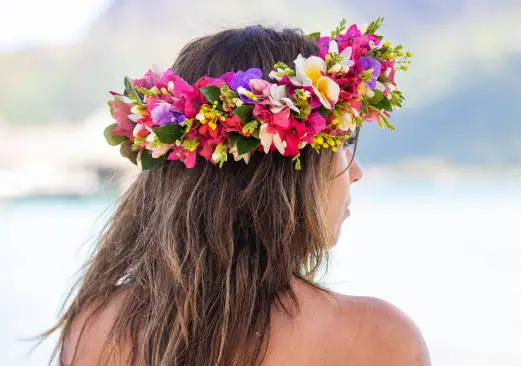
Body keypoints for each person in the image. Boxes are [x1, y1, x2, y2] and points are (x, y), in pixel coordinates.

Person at [42, 19, 430, 365]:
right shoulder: (379, 339)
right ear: (283, 170)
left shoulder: (95, 328)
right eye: (342, 142)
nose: (355, 172)